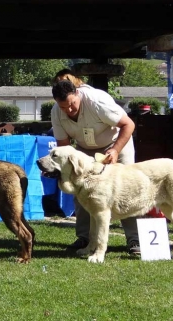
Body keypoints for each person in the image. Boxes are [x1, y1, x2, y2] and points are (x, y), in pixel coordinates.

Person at [50, 78, 140, 255]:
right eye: (63, 107)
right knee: (80, 190)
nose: (68, 110)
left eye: (72, 104)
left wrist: (115, 151)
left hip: (117, 144)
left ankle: (134, 239)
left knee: (127, 189)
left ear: (77, 94)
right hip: (85, 150)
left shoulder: (97, 101)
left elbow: (128, 124)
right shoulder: (56, 113)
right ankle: (86, 238)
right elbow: (64, 146)